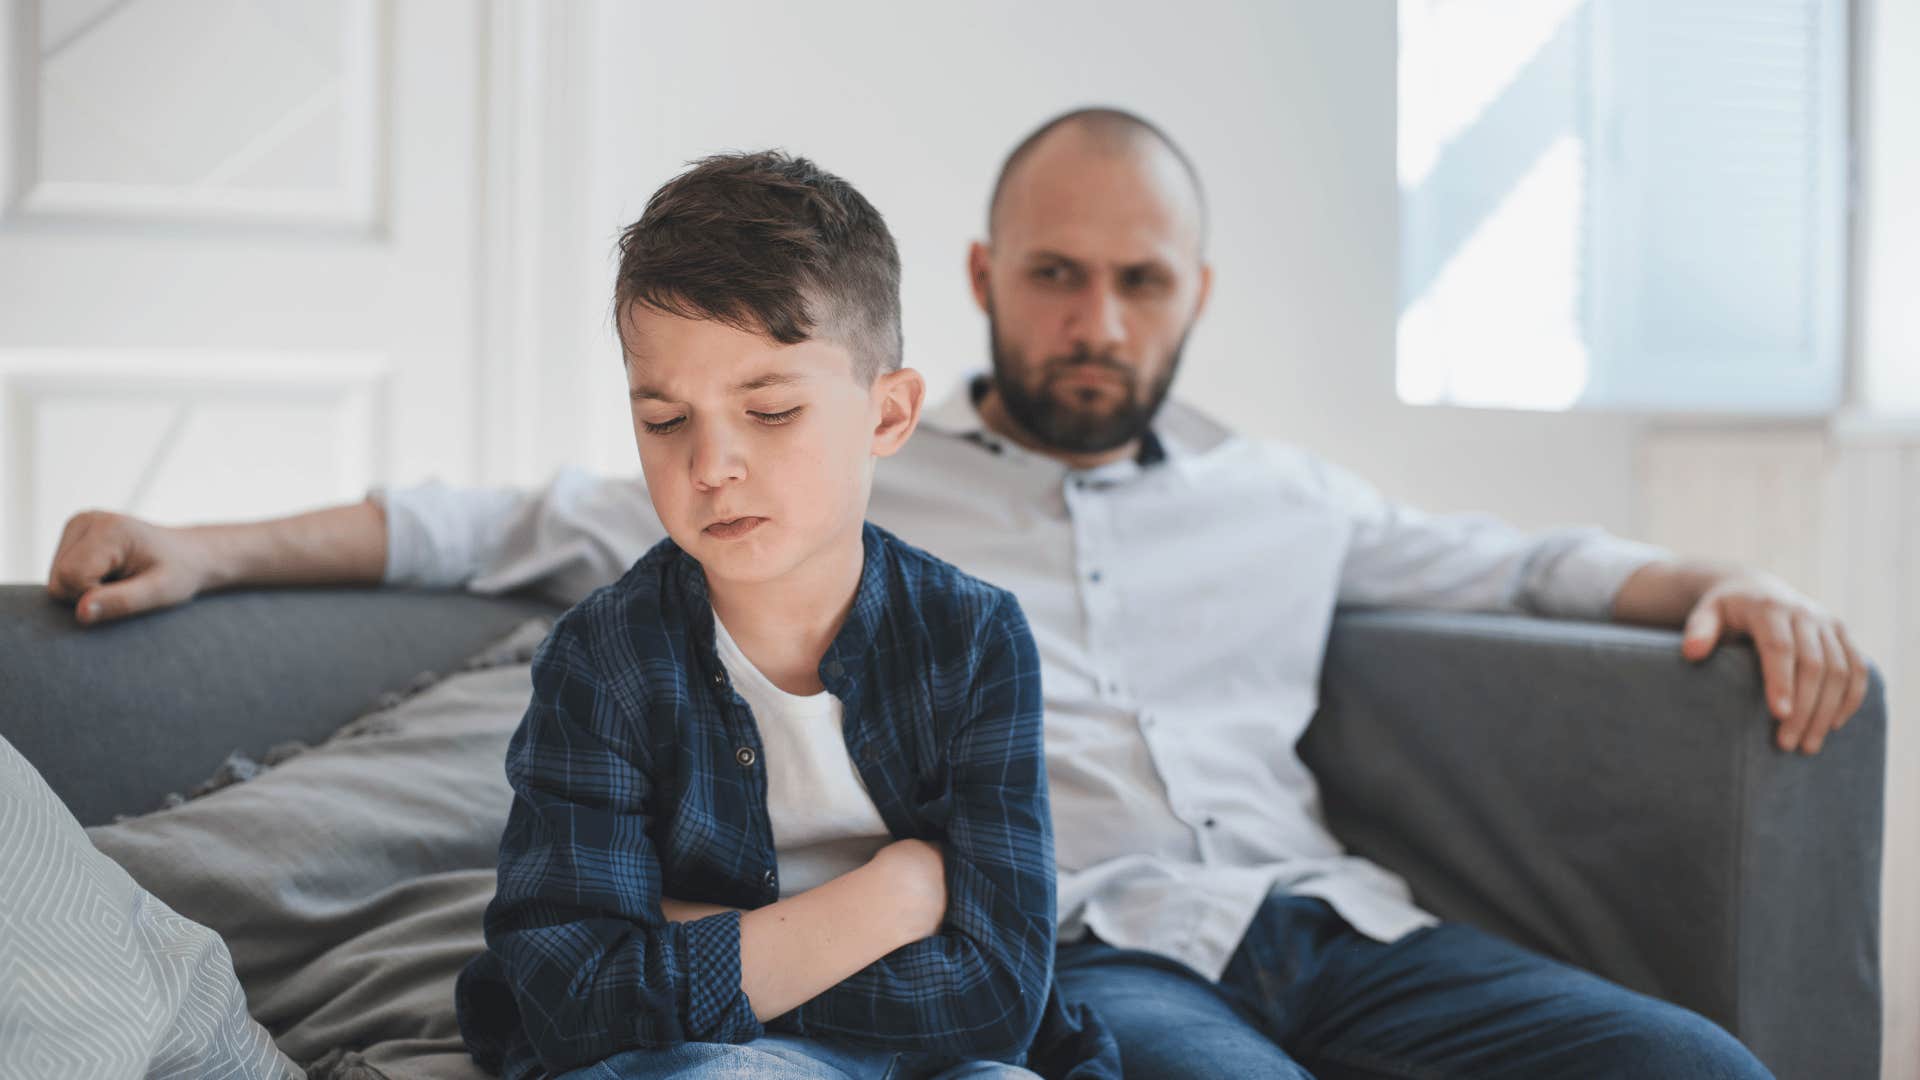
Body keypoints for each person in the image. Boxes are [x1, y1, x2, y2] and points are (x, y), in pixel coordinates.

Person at [47, 109, 1871, 1078]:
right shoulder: (817, 466)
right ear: (989, 284)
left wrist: (1739, 576)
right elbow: (496, 519)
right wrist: (212, 546)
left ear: (1194, 297)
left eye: (1138, 283)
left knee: (1695, 1065)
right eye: (1058, 276)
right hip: (1103, 943)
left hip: (1334, 921)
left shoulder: (1282, 496)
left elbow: (1529, 564)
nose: (1096, 321)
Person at [458, 150, 1109, 1079]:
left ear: (888, 416)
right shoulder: (598, 660)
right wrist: (887, 903)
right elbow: (570, 997)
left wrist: (703, 942)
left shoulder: (974, 640)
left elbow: (999, 999)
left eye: (768, 411)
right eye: (665, 420)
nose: (711, 464)